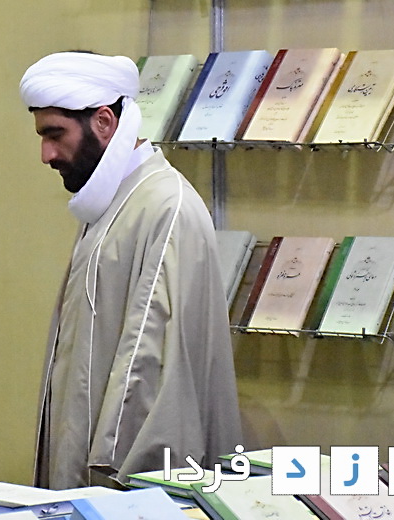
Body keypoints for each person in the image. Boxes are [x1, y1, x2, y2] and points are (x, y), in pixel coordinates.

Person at [19, 51, 243, 489]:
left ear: (104, 122)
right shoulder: (112, 202)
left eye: (55, 135)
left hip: (130, 491)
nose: (46, 154)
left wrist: (114, 494)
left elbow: (151, 373)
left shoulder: (166, 208)